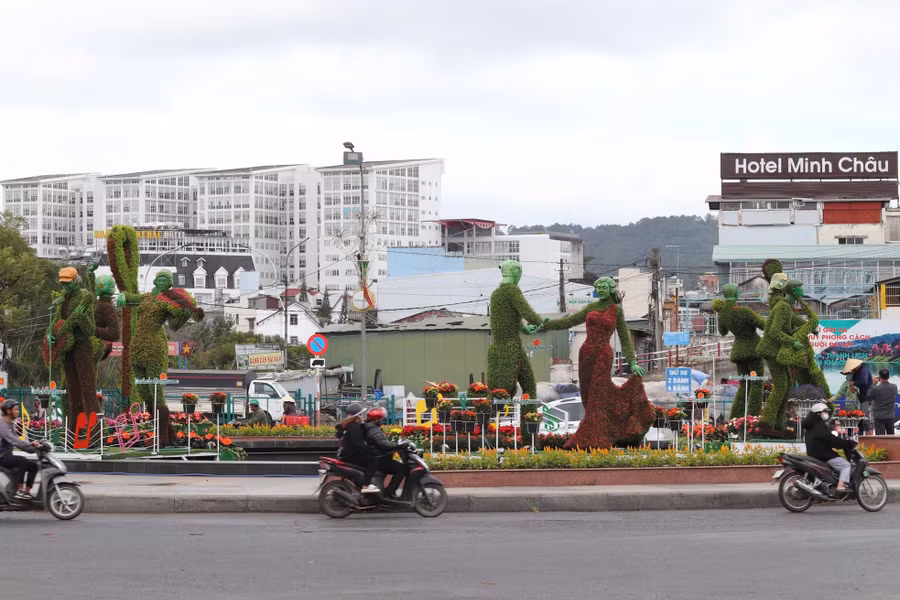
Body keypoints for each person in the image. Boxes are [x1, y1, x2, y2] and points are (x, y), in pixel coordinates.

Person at [802, 402, 855, 494]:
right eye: (825, 412)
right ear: (818, 413)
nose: (826, 414)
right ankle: (840, 486)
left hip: (814, 453)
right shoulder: (819, 425)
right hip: (823, 454)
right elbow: (830, 440)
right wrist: (846, 443)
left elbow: (828, 439)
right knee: (846, 465)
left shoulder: (811, 425)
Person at [0, 399, 42, 501]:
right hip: (2, 456)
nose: (17, 412)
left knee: (33, 465)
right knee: (21, 461)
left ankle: (27, 492)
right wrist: (30, 443)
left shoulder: (10, 424)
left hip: (7, 455)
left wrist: (35, 449)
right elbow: (14, 440)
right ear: (8, 411)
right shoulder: (2, 425)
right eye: (15, 410)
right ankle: (20, 491)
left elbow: (19, 444)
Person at [362, 407, 407, 498]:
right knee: (402, 468)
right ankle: (390, 492)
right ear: (376, 419)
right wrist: (398, 445)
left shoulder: (373, 428)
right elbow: (382, 444)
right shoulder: (373, 429)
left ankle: (390, 491)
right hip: (378, 457)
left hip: (379, 456)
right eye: (381, 419)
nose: (382, 421)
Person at [335, 403, 379, 493]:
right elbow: (357, 443)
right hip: (350, 455)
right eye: (361, 414)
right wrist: (368, 451)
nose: (362, 416)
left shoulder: (348, 425)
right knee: (374, 460)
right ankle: (366, 485)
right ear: (357, 415)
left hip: (346, 454)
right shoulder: (354, 426)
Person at [841, 358, 873, 433]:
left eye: (852, 369)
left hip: (866, 397)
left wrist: (853, 383)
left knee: (866, 419)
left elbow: (863, 382)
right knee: (860, 420)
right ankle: (860, 437)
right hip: (859, 398)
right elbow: (852, 383)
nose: (852, 371)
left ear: (856, 366)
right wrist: (852, 385)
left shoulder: (864, 370)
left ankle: (870, 437)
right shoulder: (855, 373)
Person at [868, 368, 897, 436]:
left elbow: (868, 396)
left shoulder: (876, 388)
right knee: (891, 437)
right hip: (890, 416)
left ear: (880, 377)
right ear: (889, 377)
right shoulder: (894, 387)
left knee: (880, 438)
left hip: (879, 417)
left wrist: (874, 384)